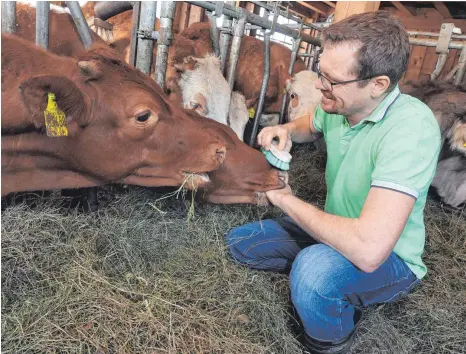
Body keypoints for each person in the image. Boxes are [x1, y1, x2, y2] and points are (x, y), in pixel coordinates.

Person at [225, 11, 441, 354]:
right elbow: (310, 123)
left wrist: (283, 199)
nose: (319, 86)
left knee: (314, 275)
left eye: (331, 80)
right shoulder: (337, 104)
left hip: (389, 257)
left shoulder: (411, 130)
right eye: (321, 73)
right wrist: (286, 131)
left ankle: (330, 341)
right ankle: (323, 280)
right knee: (242, 243)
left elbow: (369, 251)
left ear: (378, 85)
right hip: (337, 229)